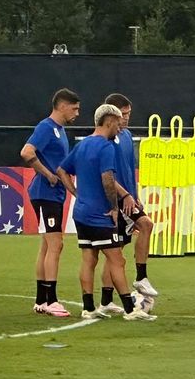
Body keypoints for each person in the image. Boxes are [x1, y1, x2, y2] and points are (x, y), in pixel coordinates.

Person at [56, 103, 156, 322]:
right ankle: (130, 309)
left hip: (81, 213)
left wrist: (76, 193)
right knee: (116, 260)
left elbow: (62, 170)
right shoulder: (105, 147)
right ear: (109, 122)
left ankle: (89, 308)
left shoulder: (82, 145)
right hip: (100, 215)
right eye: (118, 124)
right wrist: (113, 207)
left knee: (88, 259)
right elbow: (107, 179)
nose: (120, 129)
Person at [94, 93, 159, 315]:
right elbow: (108, 176)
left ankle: (106, 301)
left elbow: (129, 168)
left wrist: (136, 193)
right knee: (120, 248)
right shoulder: (106, 139)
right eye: (123, 115)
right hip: (118, 200)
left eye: (128, 114)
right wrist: (125, 196)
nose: (126, 119)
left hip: (130, 198)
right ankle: (139, 278)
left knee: (121, 247)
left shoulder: (127, 135)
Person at [21, 88, 80, 317]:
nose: (77, 113)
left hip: (52, 194)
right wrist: (47, 174)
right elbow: (27, 152)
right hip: (45, 193)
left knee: (47, 245)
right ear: (62, 106)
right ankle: (52, 300)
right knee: (56, 245)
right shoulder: (46, 127)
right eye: (74, 108)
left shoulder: (60, 130)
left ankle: (41, 300)